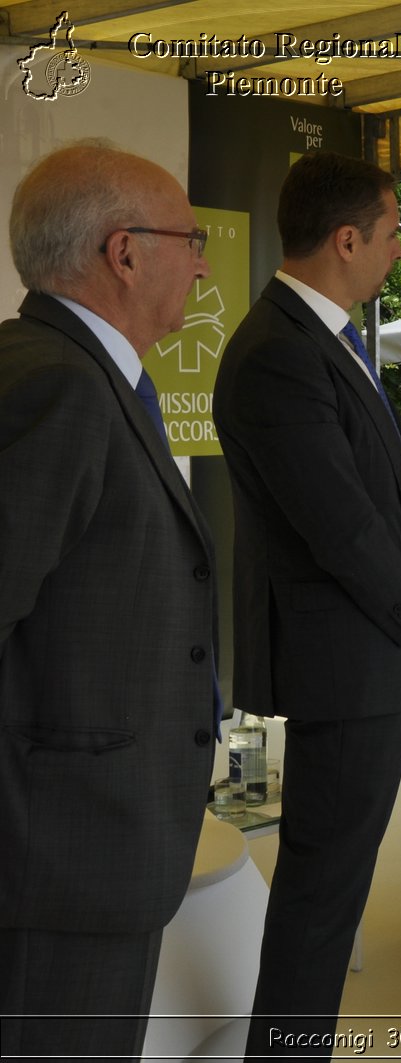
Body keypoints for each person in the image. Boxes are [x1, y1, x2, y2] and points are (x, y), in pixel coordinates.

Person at [213, 152, 401, 1055]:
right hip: (345, 665)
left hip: (365, 657)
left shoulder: (325, 335)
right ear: (348, 238)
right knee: (321, 900)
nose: (400, 252)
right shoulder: (280, 350)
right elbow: (339, 527)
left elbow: (385, 489)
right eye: (394, 234)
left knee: (329, 892)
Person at [0, 142, 218, 1060]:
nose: (204, 261)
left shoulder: (68, 370)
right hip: (59, 862)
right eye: (190, 239)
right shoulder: (59, 386)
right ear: (124, 252)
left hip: (77, 851)